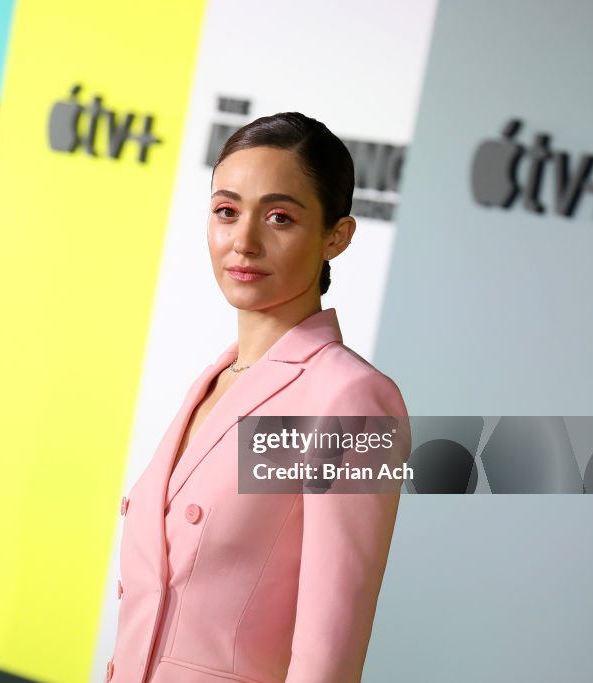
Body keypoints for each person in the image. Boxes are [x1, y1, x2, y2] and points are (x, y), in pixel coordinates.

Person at [107, 113, 410, 683]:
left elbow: (329, 651)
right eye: (226, 211)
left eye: (279, 217)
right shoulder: (216, 379)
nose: (243, 241)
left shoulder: (345, 398)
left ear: (335, 238)